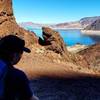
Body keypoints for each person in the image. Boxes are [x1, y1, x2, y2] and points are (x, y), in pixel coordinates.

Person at [0, 35, 39, 100]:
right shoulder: (17, 75)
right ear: (15, 55)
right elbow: (31, 98)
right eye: (21, 52)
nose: (21, 56)